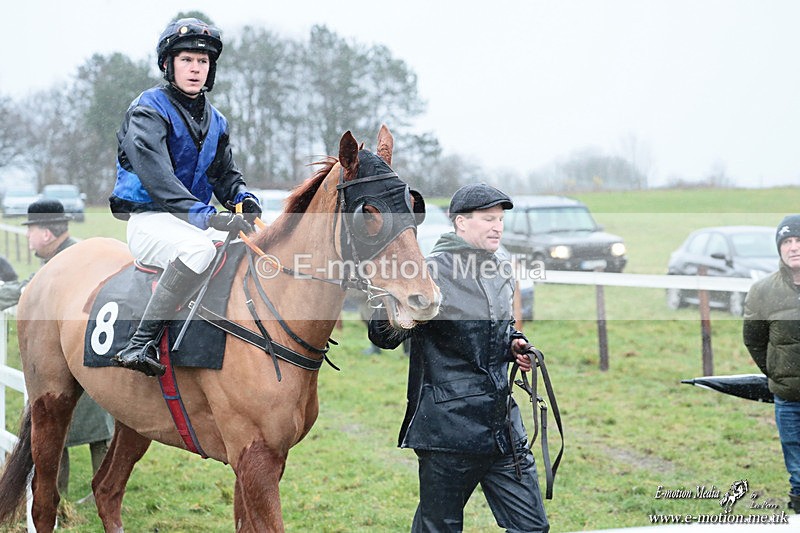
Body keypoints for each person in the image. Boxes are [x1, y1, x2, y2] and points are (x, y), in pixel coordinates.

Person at [368, 183, 549, 532]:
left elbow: (501, 328)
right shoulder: (429, 270)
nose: (497, 226)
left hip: (503, 427)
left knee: (533, 527)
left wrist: (515, 344)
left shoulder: (499, 269)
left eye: (499, 219)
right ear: (460, 223)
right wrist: (401, 316)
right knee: (439, 528)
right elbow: (381, 336)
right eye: (487, 219)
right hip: (449, 430)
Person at [110, 17, 261, 377]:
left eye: (203, 62)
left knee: (248, 246)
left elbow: (225, 176)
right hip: (151, 220)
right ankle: (138, 344)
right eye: (187, 60)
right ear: (168, 64)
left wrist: (243, 199)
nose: (196, 69)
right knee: (199, 250)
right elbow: (158, 179)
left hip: (191, 222)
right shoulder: (148, 109)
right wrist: (207, 216)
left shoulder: (217, 121)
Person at [0, 198, 113, 499]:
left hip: (85, 353)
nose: (27, 236)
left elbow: (28, 288)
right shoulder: (68, 255)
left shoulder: (69, 260)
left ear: (47, 234)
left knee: (76, 423)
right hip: (83, 351)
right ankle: (65, 493)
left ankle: (96, 490)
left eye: (31, 230)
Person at [744, 214, 800, 514]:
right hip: (789, 399)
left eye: (798, 240)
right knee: (799, 472)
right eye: (787, 241)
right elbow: (753, 340)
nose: (793, 247)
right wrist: (778, 373)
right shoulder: (763, 292)